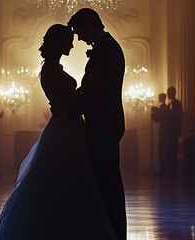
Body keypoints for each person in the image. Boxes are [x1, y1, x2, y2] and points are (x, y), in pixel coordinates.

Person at [0, 24, 116, 239]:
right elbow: (63, 104)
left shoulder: (55, 68)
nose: (72, 45)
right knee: (65, 176)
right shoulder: (51, 69)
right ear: (59, 43)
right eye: (68, 41)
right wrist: (86, 87)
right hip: (65, 126)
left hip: (69, 125)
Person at [66, 8, 127, 240]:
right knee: (105, 182)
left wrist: (69, 109)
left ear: (91, 24)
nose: (79, 39)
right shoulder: (105, 48)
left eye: (80, 32)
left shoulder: (107, 51)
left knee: (107, 183)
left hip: (104, 125)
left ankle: (113, 231)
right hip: (104, 123)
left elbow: (97, 94)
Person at [165, 87, 182, 177]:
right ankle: (170, 169)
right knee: (168, 151)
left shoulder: (177, 104)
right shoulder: (169, 105)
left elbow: (176, 118)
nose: (167, 95)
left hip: (173, 132)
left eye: (168, 93)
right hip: (168, 133)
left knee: (173, 151)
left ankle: (172, 170)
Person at [151, 93, 169, 176]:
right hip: (163, 132)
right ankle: (163, 169)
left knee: (163, 151)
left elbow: (158, 120)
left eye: (160, 98)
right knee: (161, 151)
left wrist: (154, 114)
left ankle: (164, 170)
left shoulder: (165, 108)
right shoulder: (163, 108)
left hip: (165, 132)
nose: (159, 99)